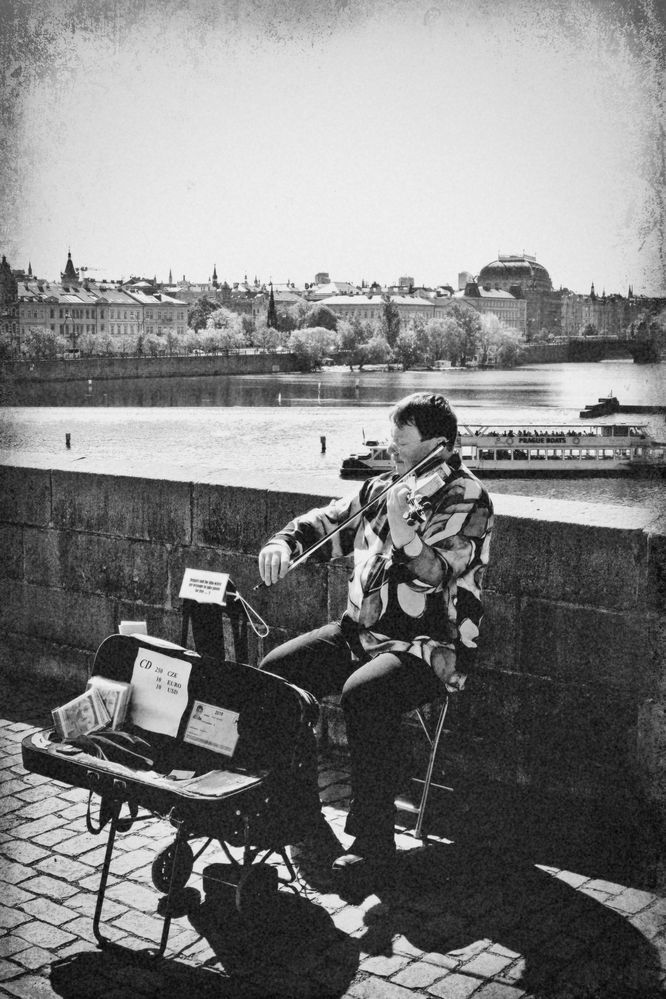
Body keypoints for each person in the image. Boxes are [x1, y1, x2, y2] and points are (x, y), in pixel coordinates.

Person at [258, 392, 494, 886]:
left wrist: (407, 531)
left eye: (400, 442)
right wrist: (284, 542)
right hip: (361, 632)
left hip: (429, 647)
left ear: (439, 446)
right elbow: (329, 522)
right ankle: (295, 809)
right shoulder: (385, 487)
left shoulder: (467, 499)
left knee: (364, 695)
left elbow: (433, 571)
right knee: (275, 675)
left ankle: (373, 845)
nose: (391, 451)